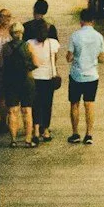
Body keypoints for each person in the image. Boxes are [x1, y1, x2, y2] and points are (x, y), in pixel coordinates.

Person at [66, 10, 104, 145]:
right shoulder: (99, 36)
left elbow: (69, 57)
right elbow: (102, 58)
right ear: (93, 21)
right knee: (89, 104)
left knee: (74, 103)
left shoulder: (75, 36)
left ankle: (75, 133)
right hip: (92, 75)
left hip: (77, 74)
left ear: (81, 21)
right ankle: (89, 134)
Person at [26, 12, 61, 145]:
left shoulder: (29, 43)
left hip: (34, 77)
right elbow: (55, 59)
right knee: (47, 104)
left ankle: (35, 130)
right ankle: (45, 130)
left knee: (35, 104)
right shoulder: (53, 43)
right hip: (48, 76)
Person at [0, 17, 33, 146]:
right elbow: (34, 63)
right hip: (25, 80)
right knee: (27, 110)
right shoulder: (27, 46)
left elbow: (1, 64)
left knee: (12, 111)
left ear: (11, 33)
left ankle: (13, 139)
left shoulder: (5, 48)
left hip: (10, 81)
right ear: (22, 33)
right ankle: (28, 139)